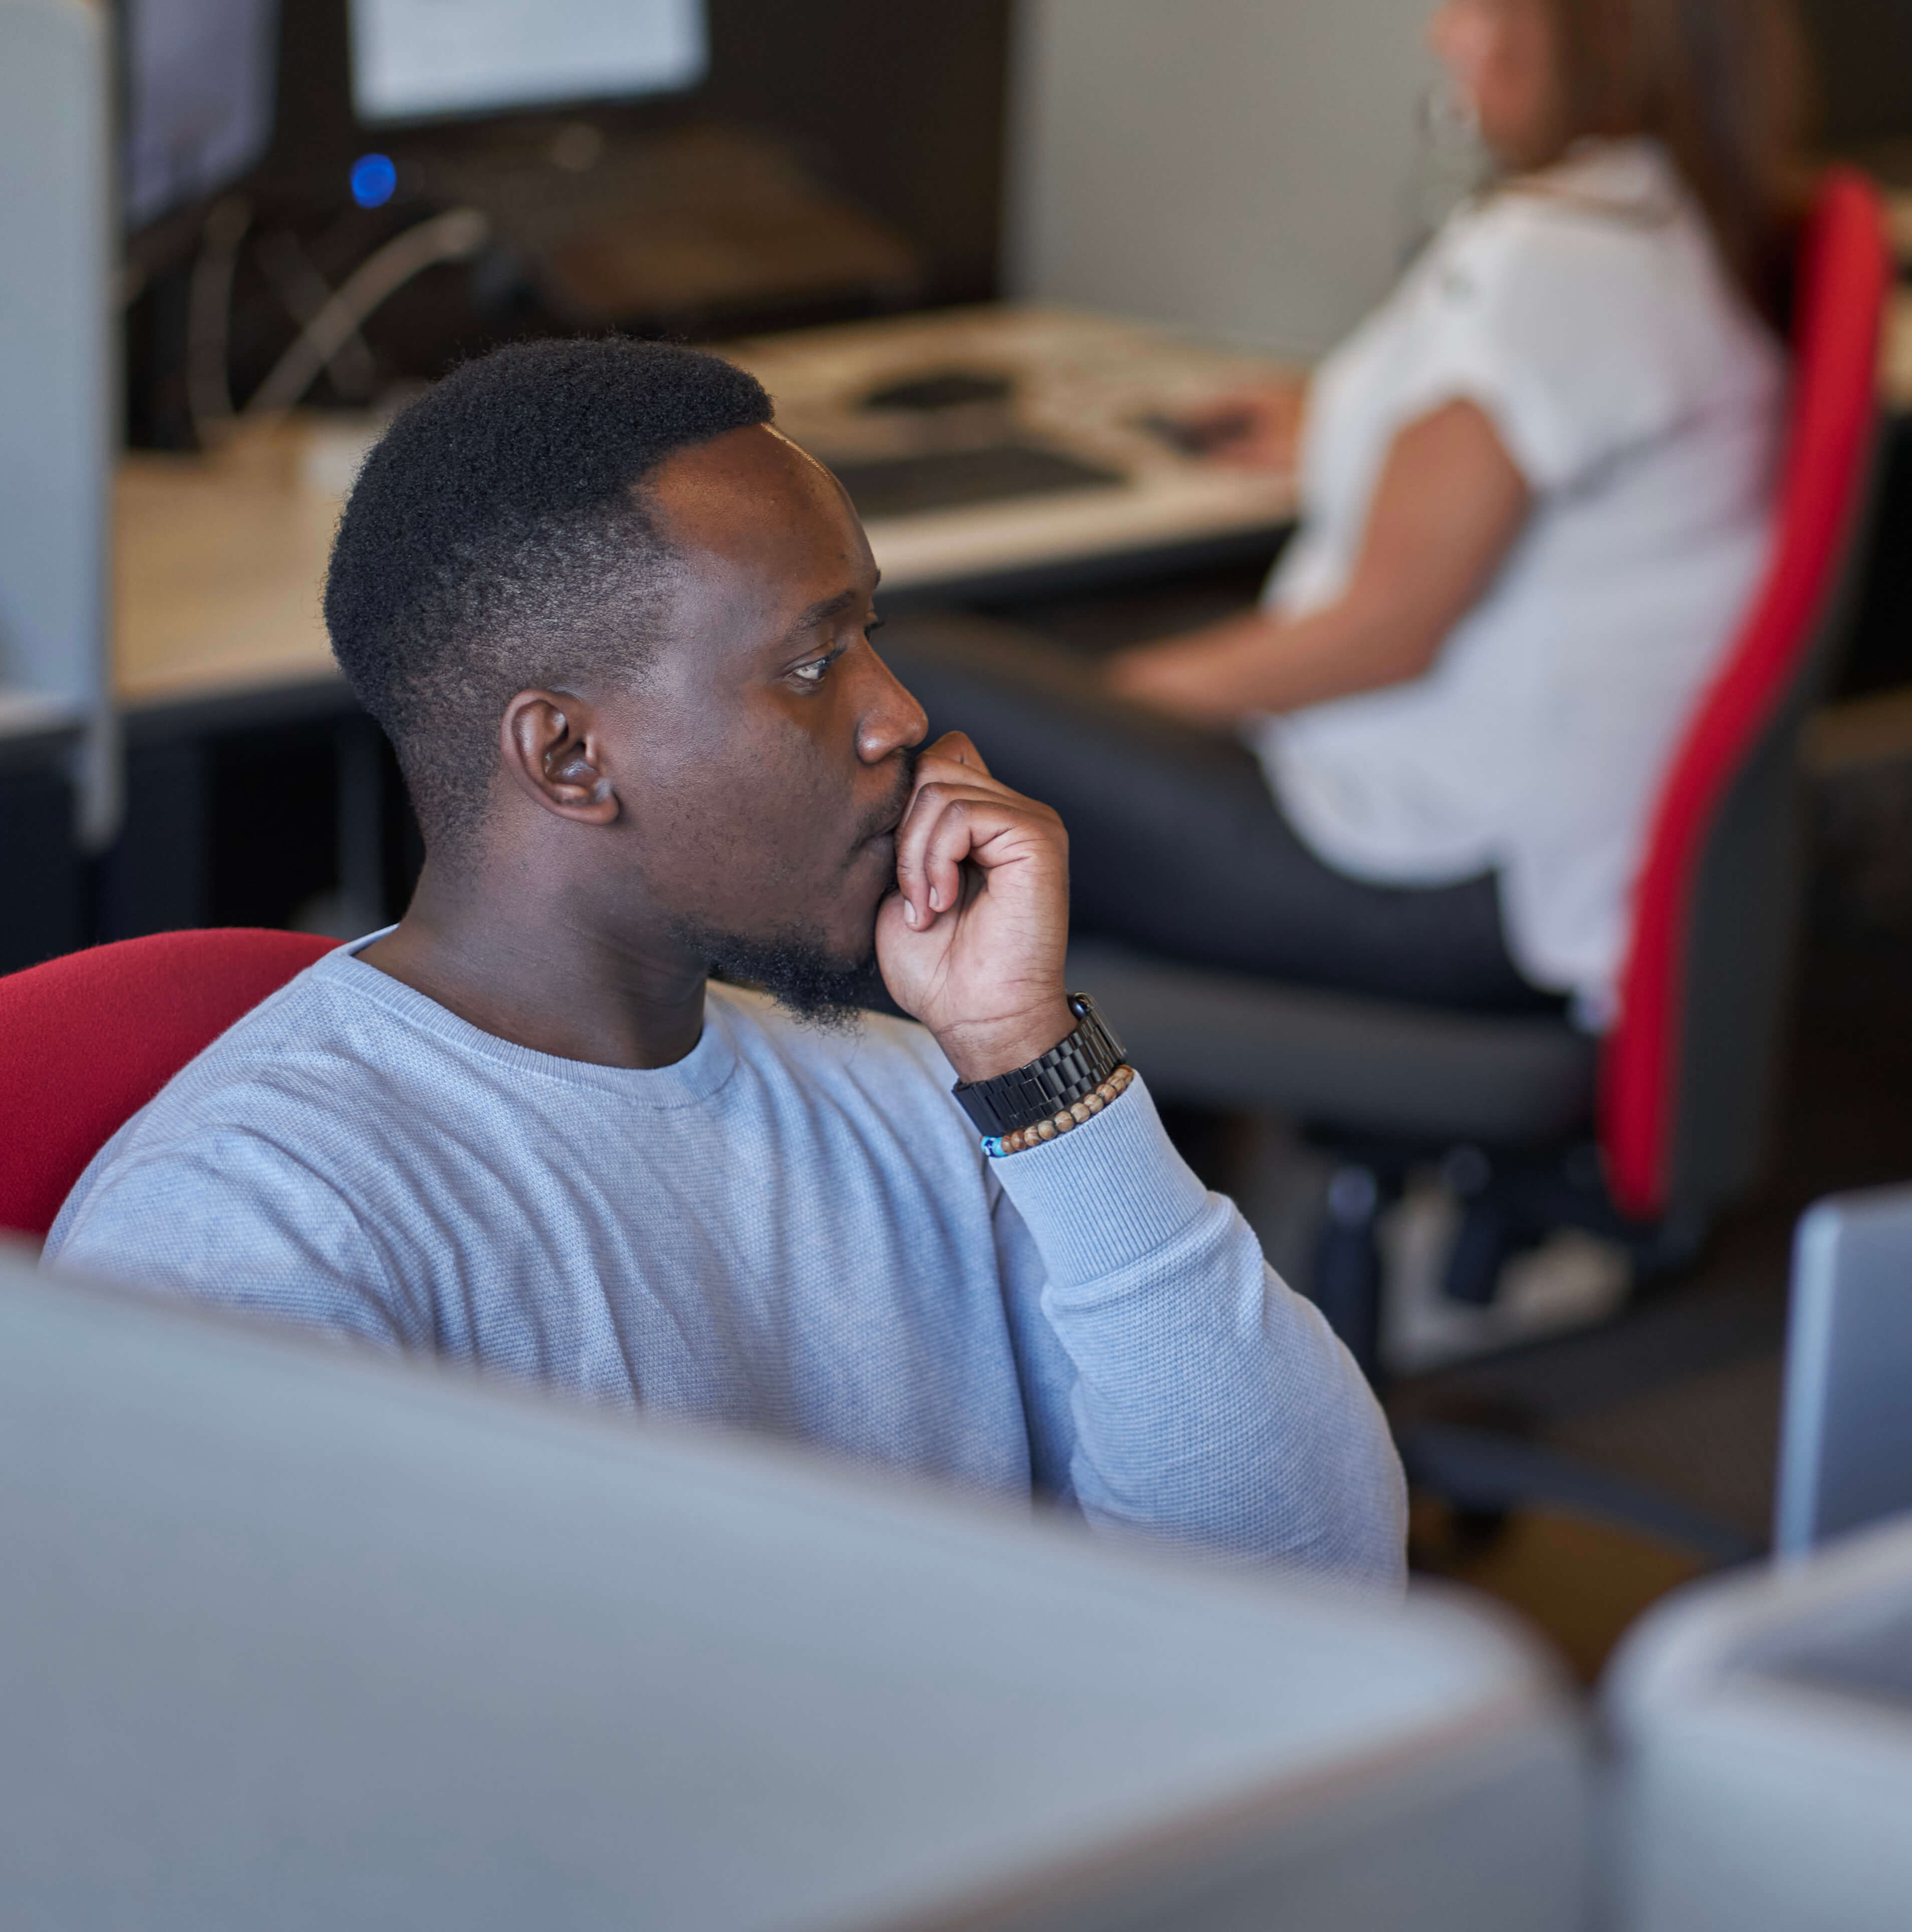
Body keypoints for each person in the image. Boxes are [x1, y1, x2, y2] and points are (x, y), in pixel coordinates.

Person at [46, 340, 1407, 1589]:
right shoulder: (258, 1226)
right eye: (813, 663)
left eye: (869, 632)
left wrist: (1029, 1060)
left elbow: (1312, 1565)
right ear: (569, 756)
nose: (899, 713)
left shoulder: (917, 1094)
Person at [896, 0, 1805, 1026]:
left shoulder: (1551, 264)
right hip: (1518, 859)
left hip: (1427, 882)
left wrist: (1109, 703)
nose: (1444, 35)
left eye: (1480, 5)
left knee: (908, 694)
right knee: (1038, 690)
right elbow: (1497, 441)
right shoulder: (1648, 226)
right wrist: (1341, 424)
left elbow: (1385, 631)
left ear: (1593, 33)